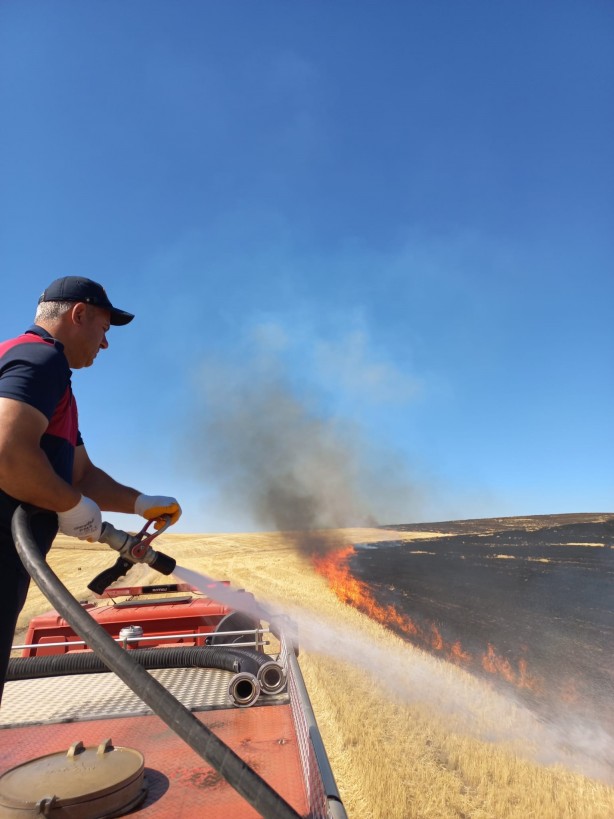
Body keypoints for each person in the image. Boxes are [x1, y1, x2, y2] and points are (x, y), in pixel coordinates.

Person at [0, 276, 181, 702]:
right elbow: (7, 451)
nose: (105, 344)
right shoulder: (40, 359)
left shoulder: (49, 379)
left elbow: (81, 474)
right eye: (103, 329)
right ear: (78, 314)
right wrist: (70, 505)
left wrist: (140, 503)